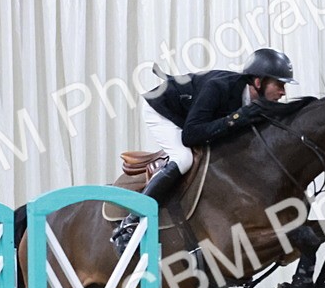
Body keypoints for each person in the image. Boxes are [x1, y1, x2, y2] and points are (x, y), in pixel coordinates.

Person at [110, 47, 297, 253]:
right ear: (259, 82)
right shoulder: (218, 88)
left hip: (191, 116)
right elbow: (190, 135)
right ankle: (130, 222)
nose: (283, 92)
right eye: (279, 84)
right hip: (163, 109)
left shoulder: (258, 104)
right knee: (184, 158)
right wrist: (236, 119)